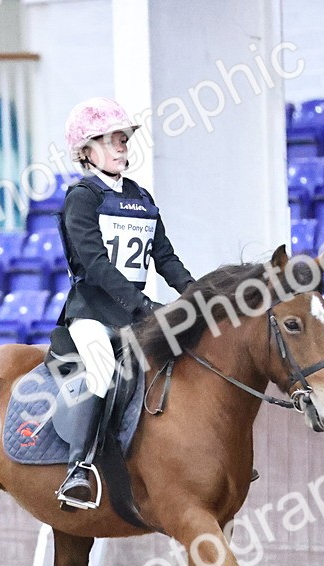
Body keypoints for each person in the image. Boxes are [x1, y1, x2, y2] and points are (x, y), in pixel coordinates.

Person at [53, 97, 195, 508]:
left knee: (182, 364)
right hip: (94, 314)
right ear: (86, 150)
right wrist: (143, 304)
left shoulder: (140, 197)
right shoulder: (82, 197)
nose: (121, 147)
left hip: (134, 314)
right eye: (111, 140)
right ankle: (78, 470)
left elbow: (164, 257)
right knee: (100, 375)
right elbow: (95, 264)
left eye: (123, 139)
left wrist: (196, 294)